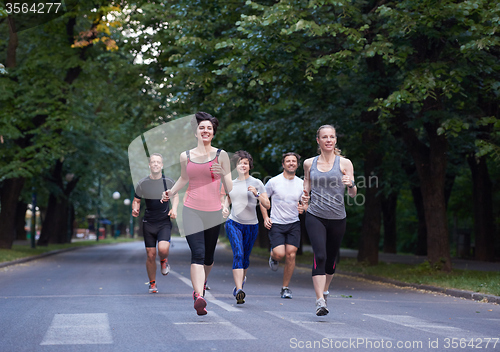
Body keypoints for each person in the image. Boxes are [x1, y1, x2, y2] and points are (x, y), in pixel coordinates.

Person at [162, 112, 232, 315]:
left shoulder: (222, 155)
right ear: (196, 132)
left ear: (213, 132)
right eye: (202, 127)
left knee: (208, 257)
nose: (205, 131)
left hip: (213, 212)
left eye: (209, 128)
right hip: (191, 209)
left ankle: (202, 284)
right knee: (198, 254)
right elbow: (184, 179)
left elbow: (229, 186)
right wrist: (171, 192)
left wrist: (222, 174)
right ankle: (199, 294)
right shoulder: (186, 156)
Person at [301, 124, 356, 316]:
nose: (328, 140)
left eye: (332, 137)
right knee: (321, 255)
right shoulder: (309, 163)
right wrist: (304, 198)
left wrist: (351, 185)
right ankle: (319, 301)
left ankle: (325, 290)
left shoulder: (345, 163)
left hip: (337, 217)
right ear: (318, 141)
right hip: (315, 215)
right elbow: (307, 183)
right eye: (324, 137)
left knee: (331, 259)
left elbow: (353, 194)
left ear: (335, 140)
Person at [222, 150, 270, 304]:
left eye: (245, 163)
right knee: (238, 254)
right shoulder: (231, 182)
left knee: (245, 258)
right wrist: (224, 207)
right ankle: (239, 290)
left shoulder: (257, 183)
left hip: (251, 225)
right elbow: (227, 198)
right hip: (233, 223)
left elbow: (267, 204)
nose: (242, 165)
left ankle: (240, 282)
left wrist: (257, 194)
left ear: (250, 166)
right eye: (239, 163)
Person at [132, 153, 179, 294]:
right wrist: (135, 208)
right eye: (153, 162)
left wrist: (174, 209)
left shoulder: (169, 182)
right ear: (149, 165)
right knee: (150, 255)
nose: (156, 164)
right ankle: (152, 284)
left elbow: (175, 196)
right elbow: (137, 200)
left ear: (162, 165)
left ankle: (164, 259)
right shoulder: (142, 183)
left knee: (163, 249)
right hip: (148, 222)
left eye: (158, 162)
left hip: (164, 221)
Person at [259, 152, 305, 299]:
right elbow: (263, 199)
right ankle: (273, 257)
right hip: (277, 222)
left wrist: (303, 208)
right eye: (288, 161)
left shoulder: (302, 183)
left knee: (291, 255)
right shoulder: (273, 182)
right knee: (280, 254)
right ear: (283, 164)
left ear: (297, 164)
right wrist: (265, 217)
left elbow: (306, 203)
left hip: (293, 223)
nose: (291, 163)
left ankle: (285, 287)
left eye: (293, 161)